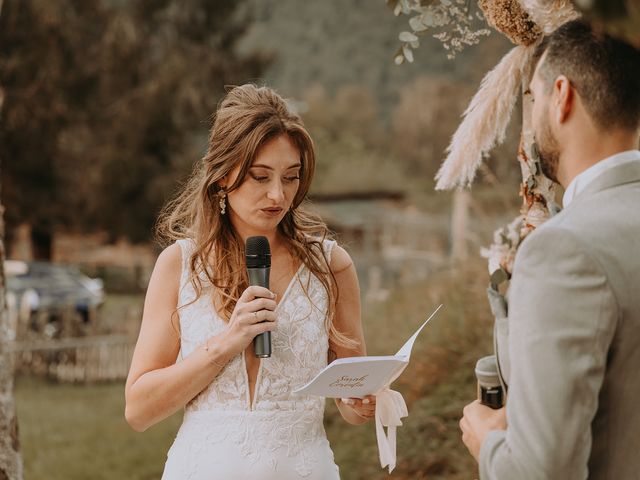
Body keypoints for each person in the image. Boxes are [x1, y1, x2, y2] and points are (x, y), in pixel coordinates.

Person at [124, 84, 375, 480]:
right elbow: (138, 410)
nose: (278, 194)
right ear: (224, 175)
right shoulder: (179, 266)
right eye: (260, 177)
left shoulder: (332, 266)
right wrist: (226, 342)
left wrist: (361, 403)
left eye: (291, 177)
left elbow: (351, 393)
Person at [459, 20, 640, 479]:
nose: (533, 116)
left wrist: (489, 442)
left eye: (534, 99)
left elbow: (543, 471)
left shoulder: (564, 249)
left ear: (562, 95)